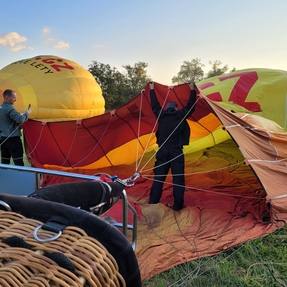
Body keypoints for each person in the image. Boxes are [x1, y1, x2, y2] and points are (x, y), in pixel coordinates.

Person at [148, 82, 198, 211]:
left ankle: (153, 202)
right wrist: (192, 90)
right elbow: (191, 106)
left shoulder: (161, 116)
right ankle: (178, 205)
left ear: (166, 109)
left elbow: (154, 105)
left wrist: (152, 89)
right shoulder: (180, 116)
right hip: (176, 152)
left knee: (158, 178)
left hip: (162, 152)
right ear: (175, 109)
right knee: (178, 179)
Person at [0, 89, 31, 166]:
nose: (15, 100)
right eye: (14, 97)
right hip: (13, 140)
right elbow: (20, 120)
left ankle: (4, 177)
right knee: (18, 162)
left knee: (4, 162)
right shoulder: (10, 108)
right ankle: (21, 178)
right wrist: (27, 113)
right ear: (7, 97)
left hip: (3, 139)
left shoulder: (1, 107)